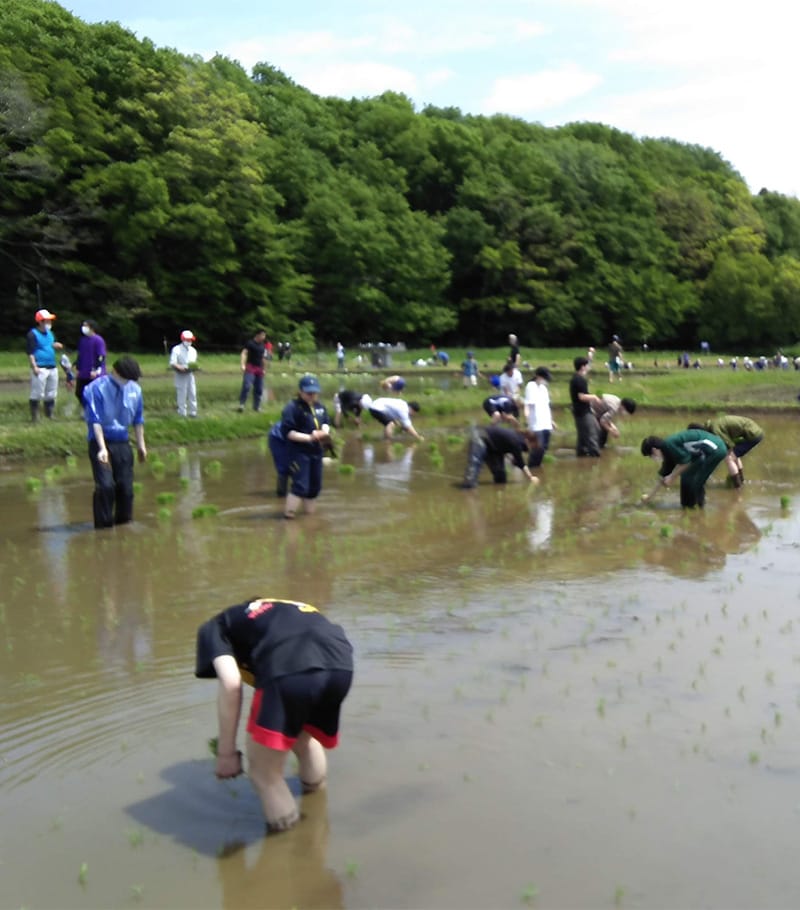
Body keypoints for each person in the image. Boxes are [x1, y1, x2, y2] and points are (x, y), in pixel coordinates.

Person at [195, 597, 353, 834]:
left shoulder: (214, 628)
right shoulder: (279, 608)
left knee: (264, 773)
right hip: (340, 660)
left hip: (288, 666)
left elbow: (230, 683)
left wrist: (226, 753)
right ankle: (316, 805)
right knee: (304, 736)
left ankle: (286, 845)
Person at [83, 356, 147, 528]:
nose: (127, 382)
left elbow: (138, 419)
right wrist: (102, 448)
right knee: (105, 486)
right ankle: (103, 527)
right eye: (125, 378)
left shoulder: (135, 390)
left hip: (123, 443)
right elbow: (94, 420)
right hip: (100, 442)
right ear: (116, 372)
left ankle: (124, 526)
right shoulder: (96, 388)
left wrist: (141, 445)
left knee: (126, 488)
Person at [281, 375, 332, 519]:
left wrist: (324, 432)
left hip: (316, 452)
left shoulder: (320, 407)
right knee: (300, 485)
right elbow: (288, 432)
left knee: (314, 487)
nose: (311, 396)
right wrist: (310, 437)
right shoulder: (292, 408)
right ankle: (288, 516)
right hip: (299, 452)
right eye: (308, 393)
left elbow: (326, 422)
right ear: (301, 391)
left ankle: (310, 518)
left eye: (314, 393)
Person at [640, 428, 727, 508]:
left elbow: (686, 462)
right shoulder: (667, 453)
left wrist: (671, 477)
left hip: (716, 450)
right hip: (702, 454)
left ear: (654, 450)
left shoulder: (669, 445)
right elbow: (662, 478)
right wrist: (649, 496)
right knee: (686, 477)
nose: (653, 458)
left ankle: (696, 508)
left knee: (696, 481)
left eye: (651, 456)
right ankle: (687, 506)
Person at [692, 415, 764, 488]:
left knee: (729, 458)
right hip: (754, 431)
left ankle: (737, 486)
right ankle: (741, 480)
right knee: (734, 455)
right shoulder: (713, 424)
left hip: (752, 434)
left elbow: (728, 443)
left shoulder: (715, 429)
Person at [461, 424, 540, 488]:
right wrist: (531, 477)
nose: (530, 450)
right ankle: (468, 490)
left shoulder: (518, 439)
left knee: (500, 476)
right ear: (527, 441)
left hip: (494, 448)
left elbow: (504, 447)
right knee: (475, 464)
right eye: (531, 447)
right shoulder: (517, 442)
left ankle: (498, 490)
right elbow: (521, 462)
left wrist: (512, 460)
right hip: (480, 436)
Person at [26, 308, 63, 421]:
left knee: (51, 392)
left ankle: (50, 414)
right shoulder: (33, 334)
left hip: (52, 366)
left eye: (50, 321)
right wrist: (34, 367)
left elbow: (50, 344)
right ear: (40, 321)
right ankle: (35, 417)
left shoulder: (50, 333)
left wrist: (56, 345)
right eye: (47, 321)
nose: (49, 323)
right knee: (37, 393)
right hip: (40, 366)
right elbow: (30, 352)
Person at [570, 356, 602, 456]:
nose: (589, 367)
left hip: (580, 411)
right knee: (592, 434)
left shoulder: (576, 378)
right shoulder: (579, 380)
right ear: (583, 367)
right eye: (588, 365)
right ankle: (595, 457)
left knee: (583, 436)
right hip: (583, 412)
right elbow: (581, 397)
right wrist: (594, 397)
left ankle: (581, 456)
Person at [523, 367, 555, 467]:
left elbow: (547, 405)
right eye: (544, 378)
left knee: (545, 447)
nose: (545, 380)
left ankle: (538, 465)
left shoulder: (544, 388)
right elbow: (527, 405)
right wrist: (527, 420)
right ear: (538, 376)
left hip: (546, 422)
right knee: (538, 447)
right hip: (536, 423)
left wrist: (552, 421)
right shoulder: (530, 386)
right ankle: (532, 467)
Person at [74, 319, 107, 404]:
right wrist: (78, 367)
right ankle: (86, 409)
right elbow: (80, 354)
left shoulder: (98, 340)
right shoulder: (83, 340)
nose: (83, 328)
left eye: (86, 326)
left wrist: (95, 370)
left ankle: (95, 411)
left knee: (94, 393)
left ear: (92, 328)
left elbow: (101, 356)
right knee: (79, 392)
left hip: (94, 373)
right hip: (83, 371)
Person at [169, 330, 198, 417]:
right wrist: (180, 367)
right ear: (183, 339)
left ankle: (193, 412)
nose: (189, 342)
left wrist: (195, 368)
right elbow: (172, 363)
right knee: (182, 393)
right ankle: (182, 413)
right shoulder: (176, 349)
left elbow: (193, 363)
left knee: (192, 393)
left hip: (190, 374)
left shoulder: (193, 350)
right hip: (180, 375)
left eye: (190, 340)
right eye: (188, 340)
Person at [239, 329, 267, 412]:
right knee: (247, 386)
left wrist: (264, 369)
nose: (264, 337)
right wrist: (242, 364)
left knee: (259, 388)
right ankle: (241, 405)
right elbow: (244, 353)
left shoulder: (263, 345)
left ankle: (256, 406)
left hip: (259, 368)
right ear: (258, 335)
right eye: (263, 335)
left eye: (264, 336)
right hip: (250, 367)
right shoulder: (250, 343)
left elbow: (264, 358)